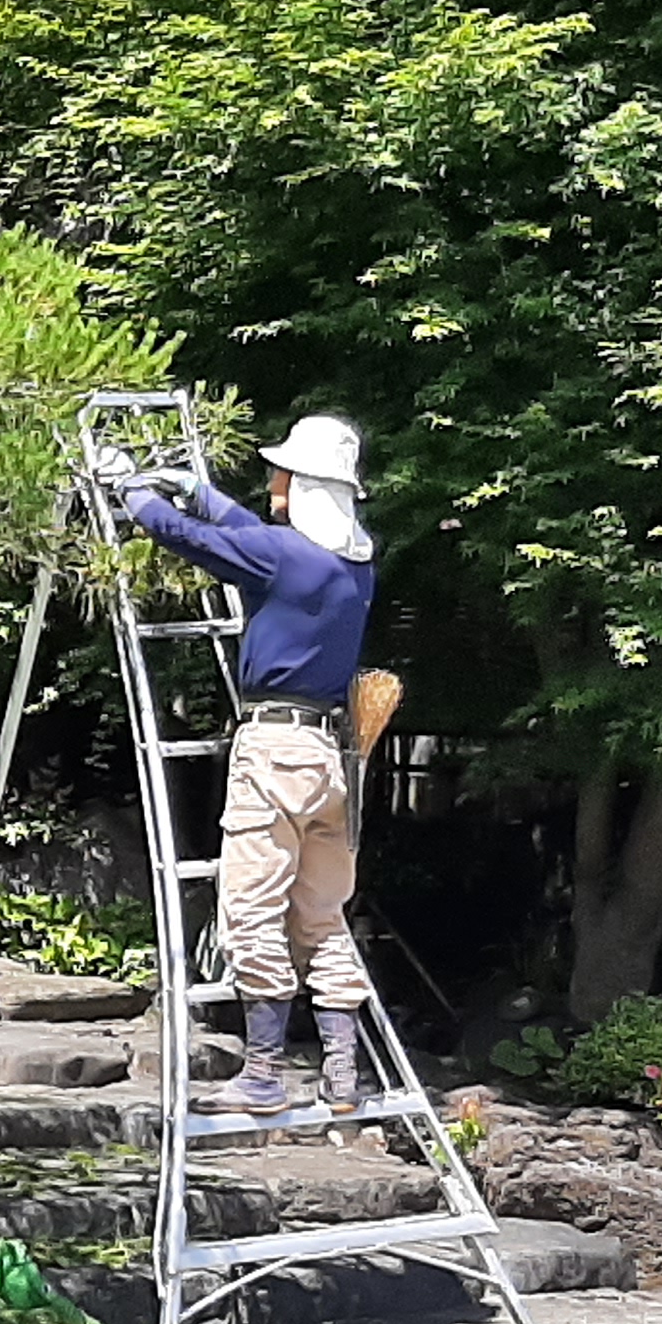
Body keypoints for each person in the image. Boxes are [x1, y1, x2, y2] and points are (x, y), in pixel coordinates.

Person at [120, 415, 380, 1112]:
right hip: (329, 758)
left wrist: (138, 497)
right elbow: (250, 536)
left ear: (304, 487)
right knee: (323, 915)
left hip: (273, 751)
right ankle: (342, 1072)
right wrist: (199, 491)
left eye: (282, 474)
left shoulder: (286, 558)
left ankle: (262, 1072)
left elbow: (197, 543)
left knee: (250, 909)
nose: (272, 481)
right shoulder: (353, 566)